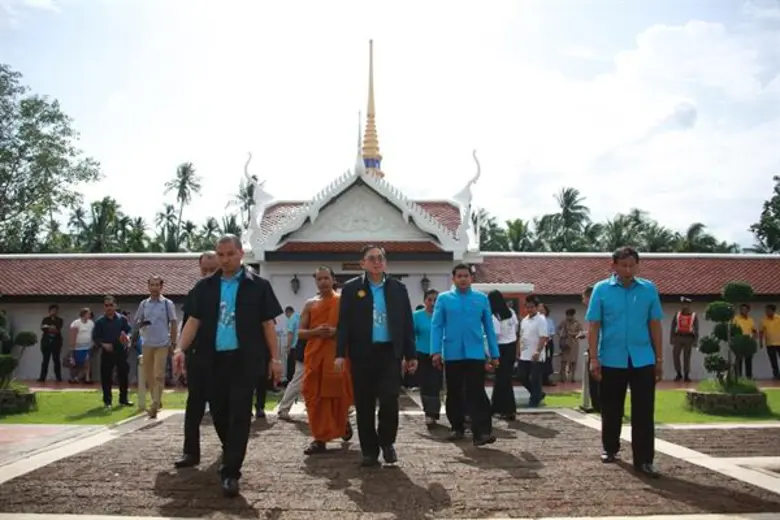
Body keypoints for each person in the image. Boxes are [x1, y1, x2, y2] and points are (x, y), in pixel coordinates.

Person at [173, 235, 283, 497]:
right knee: (220, 413)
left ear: (241, 253)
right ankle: (230, 449)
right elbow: (193, 322)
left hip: (245, 360)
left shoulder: (258, 286)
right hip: (213, 359)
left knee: (240, 414)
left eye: (230, 254)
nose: (225, 259)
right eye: (220, 254)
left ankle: (231, 471)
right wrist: (180, 348)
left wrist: (275, 359)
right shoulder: (205, 287)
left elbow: (268, 325)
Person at [334, 244, 417, 467]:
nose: (377, 262)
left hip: (389, 353)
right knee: (364, 404)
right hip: (362, 354)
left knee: (390, 399)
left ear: (385, 263)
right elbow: (343, 324)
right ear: (363, 263)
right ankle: (369, 451)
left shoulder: (398, 288)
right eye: (371, 258)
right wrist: (340, 354)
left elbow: (406, 323)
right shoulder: (352, 289)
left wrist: (411, 354)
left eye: (380, 258)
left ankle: (387, 442)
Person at [586, 246, 663, 478]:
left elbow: (655, 325)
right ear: (614, 266)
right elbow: (594, 326)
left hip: (642, 358)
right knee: (611, 407)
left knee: (644, 411)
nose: (628, 270)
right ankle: (610, 449)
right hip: (611, 357)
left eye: (632, 265)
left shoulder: (649, 289)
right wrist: (593, 358)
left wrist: (659, 358)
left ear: (637, 266)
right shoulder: (601, 290)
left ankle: (644, 460)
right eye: (623, 265)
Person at [431, 263, 499, 446]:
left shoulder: (481, 299)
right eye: (459, 276)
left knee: (476, 392)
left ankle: (482, 432)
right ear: (453, 279)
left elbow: (489, 328)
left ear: (471, 278)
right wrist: (435, 351)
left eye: (466, 276)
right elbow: (437, 326)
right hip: (452, 353)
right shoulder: (444, 299)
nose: (463, 279)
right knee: (454, 392)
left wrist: (494, 353)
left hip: (475, 353)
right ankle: (457, 427)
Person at [300, 266, 354, 454]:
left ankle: (341, 423)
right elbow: (300, 332)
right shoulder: (310, 304)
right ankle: (319, 438)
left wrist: (336, 332)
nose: (323, 282)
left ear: (333, 279)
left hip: (336, 355)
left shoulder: (343, 301)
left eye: (326, 278)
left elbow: (354, 328)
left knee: (337, 394)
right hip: (315, 355)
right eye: (319, 279)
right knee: (314, 396)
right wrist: (315, 332)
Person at [174, 251, 220, 469]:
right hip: (198, 357)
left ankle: (230, 448)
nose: (209, 273)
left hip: (223, 358)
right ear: (200, 268)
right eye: (205, 269)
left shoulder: (229, 291)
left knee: (223, 408)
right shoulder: (196, 291)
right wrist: (180, 351)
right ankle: (190, 452)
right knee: (194, 406)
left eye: (213, 268)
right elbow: (187, 325)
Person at [134, 276, 178, 419]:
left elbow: (174, 323)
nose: (154, 288)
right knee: (149, 375)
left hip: (162, 343)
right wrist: (141, 325)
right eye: (151, 285)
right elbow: (137, 321)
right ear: (148, 286)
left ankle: (154, 405)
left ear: (161, 286)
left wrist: (173, 341)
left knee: (158, 374)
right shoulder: (144, 304)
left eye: (157, 285)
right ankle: (157, 401)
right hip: (147, 343)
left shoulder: (167, 304)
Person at [92, 295, 133, 409]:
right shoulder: (100, 322)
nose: (109, 308)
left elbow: (129, 331)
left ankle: (123, 400)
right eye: (106, 306)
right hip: (107, 351)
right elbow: (95, 337)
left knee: (123, 375)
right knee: (106, 377)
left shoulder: (122, 319)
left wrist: (128, 337)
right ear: (104, 307)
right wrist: (103, 344)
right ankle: (107, 402)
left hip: (120, 350)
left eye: (111, 305)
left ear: (115, 306)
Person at [487, 289, 519, 421]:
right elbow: (516, 328)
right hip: (511, 346)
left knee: (502, 380)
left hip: (501, 348)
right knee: (503, 379)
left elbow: (495, 335)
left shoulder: (494, 316)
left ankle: (507, 409)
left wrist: (491, 354)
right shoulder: (511, 312)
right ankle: (498, 407)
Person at [413, 289, 442, 427]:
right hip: (422, 353)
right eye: (429, 299)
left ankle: (434, 412)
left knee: (435, 384)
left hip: (438, 354)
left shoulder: (443, 315)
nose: (432, 303)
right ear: (424, 301)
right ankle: (428, 413)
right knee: (425, 384)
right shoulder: (417, 316)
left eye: (435, 300)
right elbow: (412, 335)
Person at [517, 296, 548, 408]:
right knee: (521, 376)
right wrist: (518, 350)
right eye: (527, 307)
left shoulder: (541, 320)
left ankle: (534, 400)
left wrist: (538, 351)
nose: (529, 309)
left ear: (536, 307)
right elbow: (521, 336)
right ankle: (538, 394)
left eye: (532, 307)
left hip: (536, 354)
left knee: (535, 378)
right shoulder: (524, 320)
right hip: (524, 353)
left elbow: (543, 337)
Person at [670, 297, 699, 382]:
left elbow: (696, 328)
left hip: (689, 338)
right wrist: (671, 338)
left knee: (687, 357)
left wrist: (695, 341)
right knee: (675, 355)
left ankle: (686, 375)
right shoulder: (677, 314)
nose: (685, 306)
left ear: (690, 305)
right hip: (678, 337)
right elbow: (672, 327)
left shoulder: (694, 315)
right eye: (683, 304)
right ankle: (678, 373)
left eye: (687, 304)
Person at [557, 308, 583, 383]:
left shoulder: (577, 323)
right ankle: (562, 377)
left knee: (573, 361)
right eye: (567, 315)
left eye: (570, 315)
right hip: (565, 343)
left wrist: (573, 334)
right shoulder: (564, 322)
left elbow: (581, 332)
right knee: (563, 361)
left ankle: (572, 377)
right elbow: (558, 329)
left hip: (574, 343)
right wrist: (561, 335)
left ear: (573, 315)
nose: (568, 317)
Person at [39, 304, 64, 382]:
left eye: (56, 310)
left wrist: (49, 327)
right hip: (46, 343)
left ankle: (58, 377)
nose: (54, 312)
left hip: (56, 343)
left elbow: (57, 330)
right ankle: (42, 378)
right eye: (52, 310)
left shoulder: (60, 320)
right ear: (49, 311)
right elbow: (43, 328)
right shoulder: (45, 319)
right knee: (45, 360)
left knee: (56, 360)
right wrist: (50, 327)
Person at [733, 303, 758, 379]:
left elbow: (754, 330)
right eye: (741, 309)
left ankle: (749, 377)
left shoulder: (750, 320)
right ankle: (738, 377)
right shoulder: (736, 318)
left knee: (748, 360)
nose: (743, 311)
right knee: (738, 360)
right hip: (739, 341)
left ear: (748, 311)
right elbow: (733, 329)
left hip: (748, 342)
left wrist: (754, 338)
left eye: (745, 309)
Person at [760, 304, 780, 380]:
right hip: (770, 344)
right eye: (766, 310)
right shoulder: (763, 320)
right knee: (773, 360)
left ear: (773, 311)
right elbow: (761, 332)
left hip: (779, 343)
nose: (767, 312)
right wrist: (761, 342)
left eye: (768, 310)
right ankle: (776, 375)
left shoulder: (779, 318)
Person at [538, 303, 557, 386]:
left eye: (543, 310)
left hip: (548, 343)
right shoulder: (536, 321)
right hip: (538, 343)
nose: (541, 311)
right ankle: (539, 380)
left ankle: (546, 379)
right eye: (540, 310)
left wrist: (547, 339)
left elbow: (552, 333)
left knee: (548, 361)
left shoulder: (549, 320)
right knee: (539, 361)